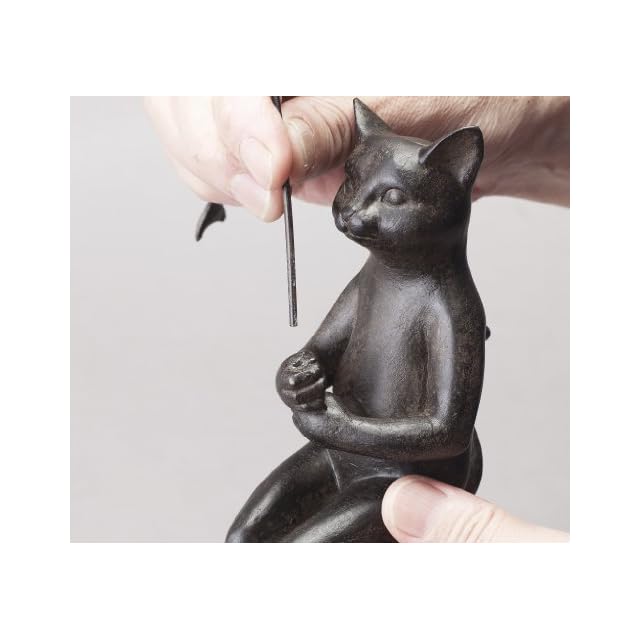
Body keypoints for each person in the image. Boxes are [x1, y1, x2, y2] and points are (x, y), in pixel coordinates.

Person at [146, 96, 570, 542]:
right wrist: (297, 378)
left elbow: (447, 432)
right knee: (243, 538)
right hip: (336, 451)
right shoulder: (372, 277)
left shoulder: (449, 308)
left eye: (391, 198)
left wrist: (344, 428)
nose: (353, 210)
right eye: (353, 183)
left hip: (400, 477)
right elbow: (317, 354)